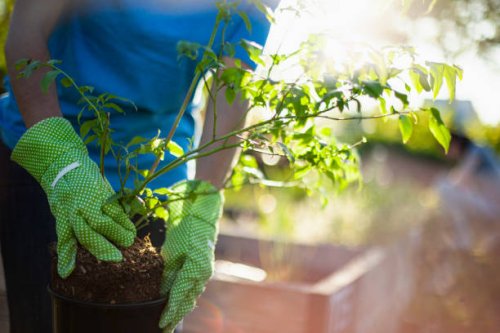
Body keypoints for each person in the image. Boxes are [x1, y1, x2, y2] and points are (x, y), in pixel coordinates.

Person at [0, 0, 277, 332]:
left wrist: (202, 201)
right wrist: (61, 163)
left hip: (155, 177)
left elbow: (232, 85)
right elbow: (26, 33)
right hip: (44, 153)